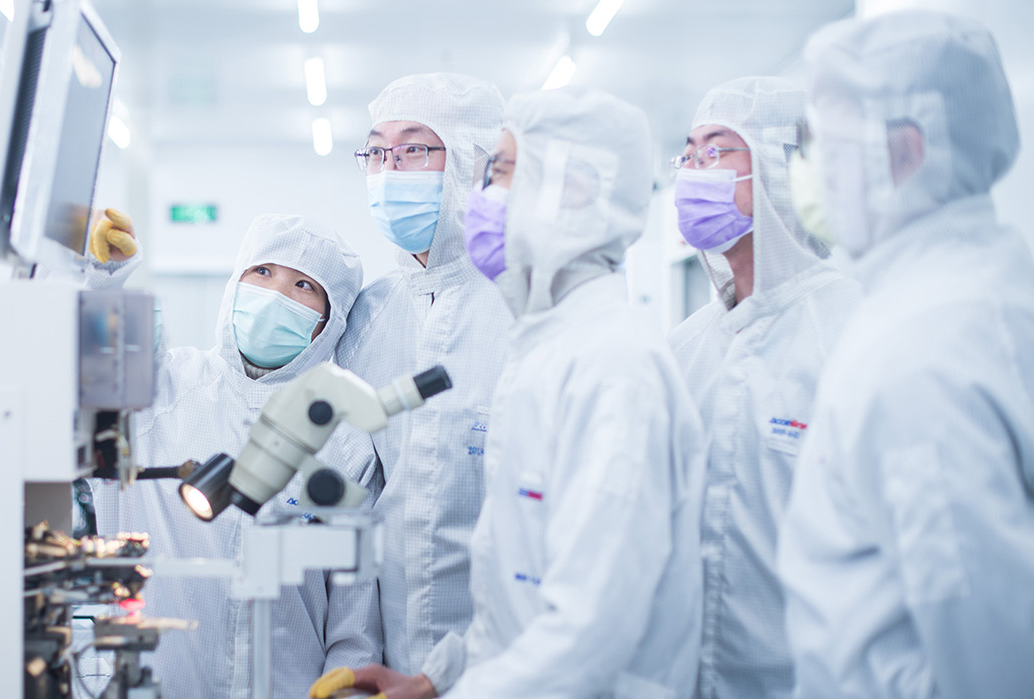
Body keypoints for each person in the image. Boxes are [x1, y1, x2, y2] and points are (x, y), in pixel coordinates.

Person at [312, 86, 706, 699]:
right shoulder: (546, 345)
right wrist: (435, 680)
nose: (483, 196)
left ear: (575, 192)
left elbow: (592, 626)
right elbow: (516, 586)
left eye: (499, 172)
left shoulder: (612, 364)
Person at [778, 11, 1034, 698]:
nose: (807, 172)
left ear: (905, 154)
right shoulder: (983, 284)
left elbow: (988, 663)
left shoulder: (919, 354)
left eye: (825, 144)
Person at [90, 214, 382, 699]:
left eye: (304, 286)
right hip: (153, 685)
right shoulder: (164, 386)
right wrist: (105, 281)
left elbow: (355, 615)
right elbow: (91, 376)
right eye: (262, 272)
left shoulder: (344, 441)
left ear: (330, 322)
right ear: (236, 282)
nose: (276, 295)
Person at [666, 76, 862, 699]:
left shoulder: (851, 333)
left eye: (716, 151)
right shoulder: (684, 347)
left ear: (781, 166)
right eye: (687, 155)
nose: (692, 173)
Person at [334, 72, 514, 687]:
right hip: (391, 664)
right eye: (376, 152)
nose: (390, 170)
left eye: (414, 148)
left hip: (509, 668)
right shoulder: (368, 317)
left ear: (472, 161)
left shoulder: (524, 305)